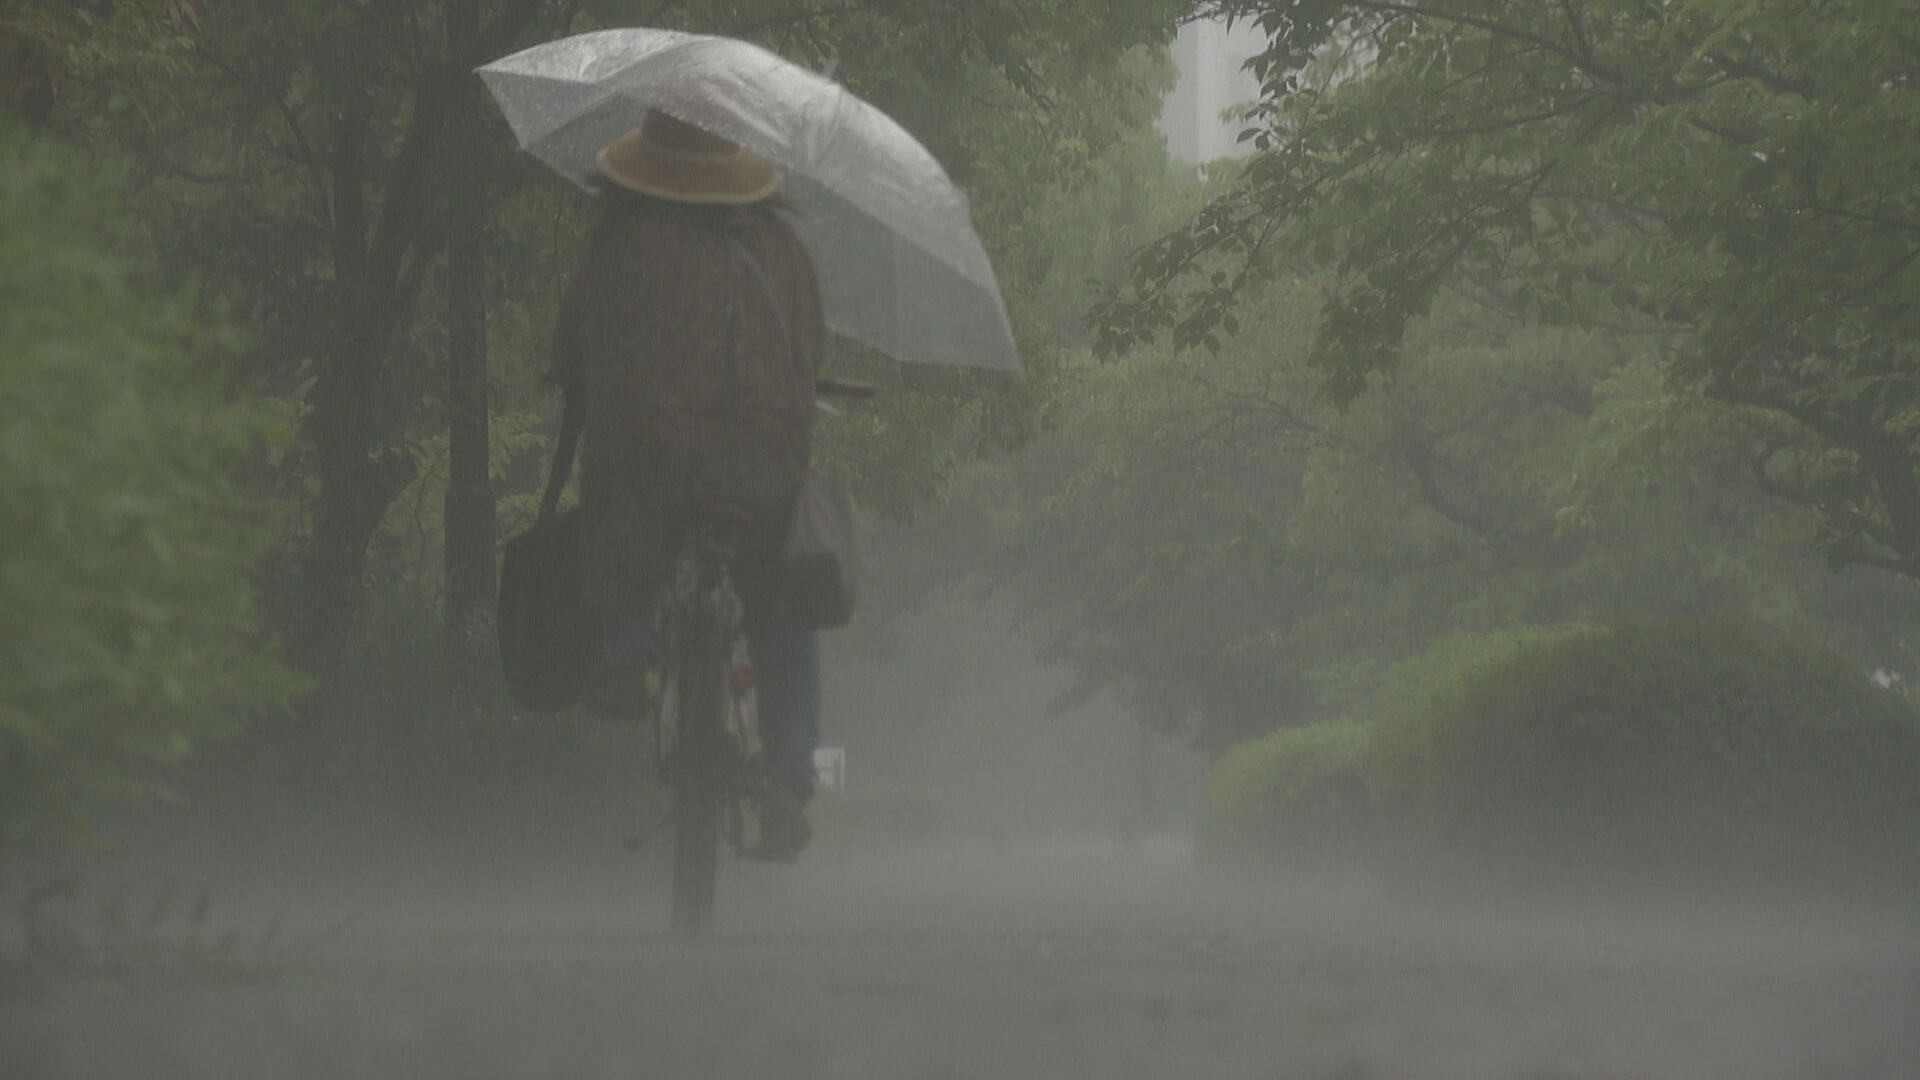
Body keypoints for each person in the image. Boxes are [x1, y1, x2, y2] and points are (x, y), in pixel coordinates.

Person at [545, 108, 825, 860]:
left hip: (653, 462)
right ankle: (790, 782)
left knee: (633, 521)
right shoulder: (781, 246)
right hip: (764, 471)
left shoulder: (623, 242)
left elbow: (575, 340)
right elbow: (810, 347)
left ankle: (627, 654)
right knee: (782, 607)